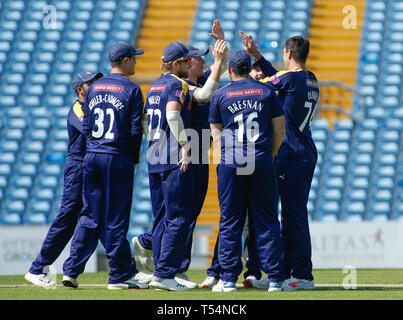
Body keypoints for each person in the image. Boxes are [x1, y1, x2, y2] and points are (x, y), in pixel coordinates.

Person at [62, 42, 150, 290]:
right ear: (123, 61)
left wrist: (93, 148)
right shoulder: (132, 89)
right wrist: (133, 158)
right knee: (116, 217)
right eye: (133, 58)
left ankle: (71, 271)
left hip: (93, 156)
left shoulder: (94, 88)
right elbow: (135, 131)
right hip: (117, 156)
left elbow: (88, 124)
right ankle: (119, 275)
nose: (135, 62)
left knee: (90, 214)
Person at [143, 40, 228, 291]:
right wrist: (186, 145)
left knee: (162, 217)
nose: (194, 62)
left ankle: (162, 268)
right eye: (188, 60)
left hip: (154, 156)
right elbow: (174, 113)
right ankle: (166, 273)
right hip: (174, 157)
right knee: (179, 218)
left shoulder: (155, 85)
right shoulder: (177, 84)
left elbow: (150, 120)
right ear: (180, 62)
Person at [241, 32, 320, 291]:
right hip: (304, 151)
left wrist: (251, 75)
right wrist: (257, 56)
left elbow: (262, 86)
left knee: (293, 215)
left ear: (287, 53)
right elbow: (280, 79)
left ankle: (303, 274)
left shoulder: (288, 79)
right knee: (291, 214)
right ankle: (285, 273)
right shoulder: (309, 78)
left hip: (291, 154)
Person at [208, 49, 286, 292]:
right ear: (249, 68)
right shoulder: (266, 91)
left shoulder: (220, 95)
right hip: (261, 159)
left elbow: (216, 132)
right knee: (267, 219)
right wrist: (269, 154)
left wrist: (226, 156)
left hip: (232, 161)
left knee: (230, 220)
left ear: (229, 70)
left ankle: (229, 279)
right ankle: (275, 278)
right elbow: (280, 128)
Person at [24, 71, 103, 288]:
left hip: (89, 165)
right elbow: (93, 132)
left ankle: (121, 269)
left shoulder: (91, 107)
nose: (97, 85)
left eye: (97, 81)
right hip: (78, 167)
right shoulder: (78, 109)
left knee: (100, 216)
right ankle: (37, 268)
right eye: (91, 83)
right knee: (67, 218)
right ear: (80, 90)